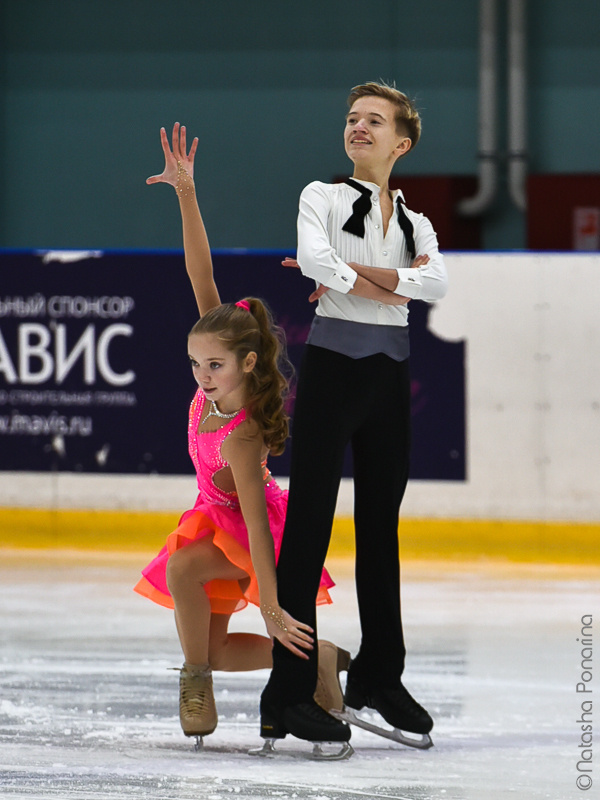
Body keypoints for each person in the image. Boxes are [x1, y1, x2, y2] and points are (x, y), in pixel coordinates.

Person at [134, 124, 349, 752]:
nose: (203, 376)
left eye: (215, 367)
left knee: (180, 567)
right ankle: (322, 660)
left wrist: (277, 607)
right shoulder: (217, 358)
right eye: (196, 364)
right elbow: (199, 271)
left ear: (246, 365)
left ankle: (193, 679)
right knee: (221, 648)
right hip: (213, 518)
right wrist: (186, 194)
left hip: (252, 533)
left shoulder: (243, 433)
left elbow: (256, 525)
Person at [261, 82, 448, 749]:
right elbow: (317, 261)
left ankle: (379, 674)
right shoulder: (324, 195)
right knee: (308, 527)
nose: (358, 127)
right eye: (351, 118)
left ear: (401, 142)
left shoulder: (418, 223)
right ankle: (286, 689)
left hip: (388, 377)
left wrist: (353, 273)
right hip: (334, 373)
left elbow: (438, 284)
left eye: (374, 120)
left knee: (381, 530)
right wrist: (383, 278)